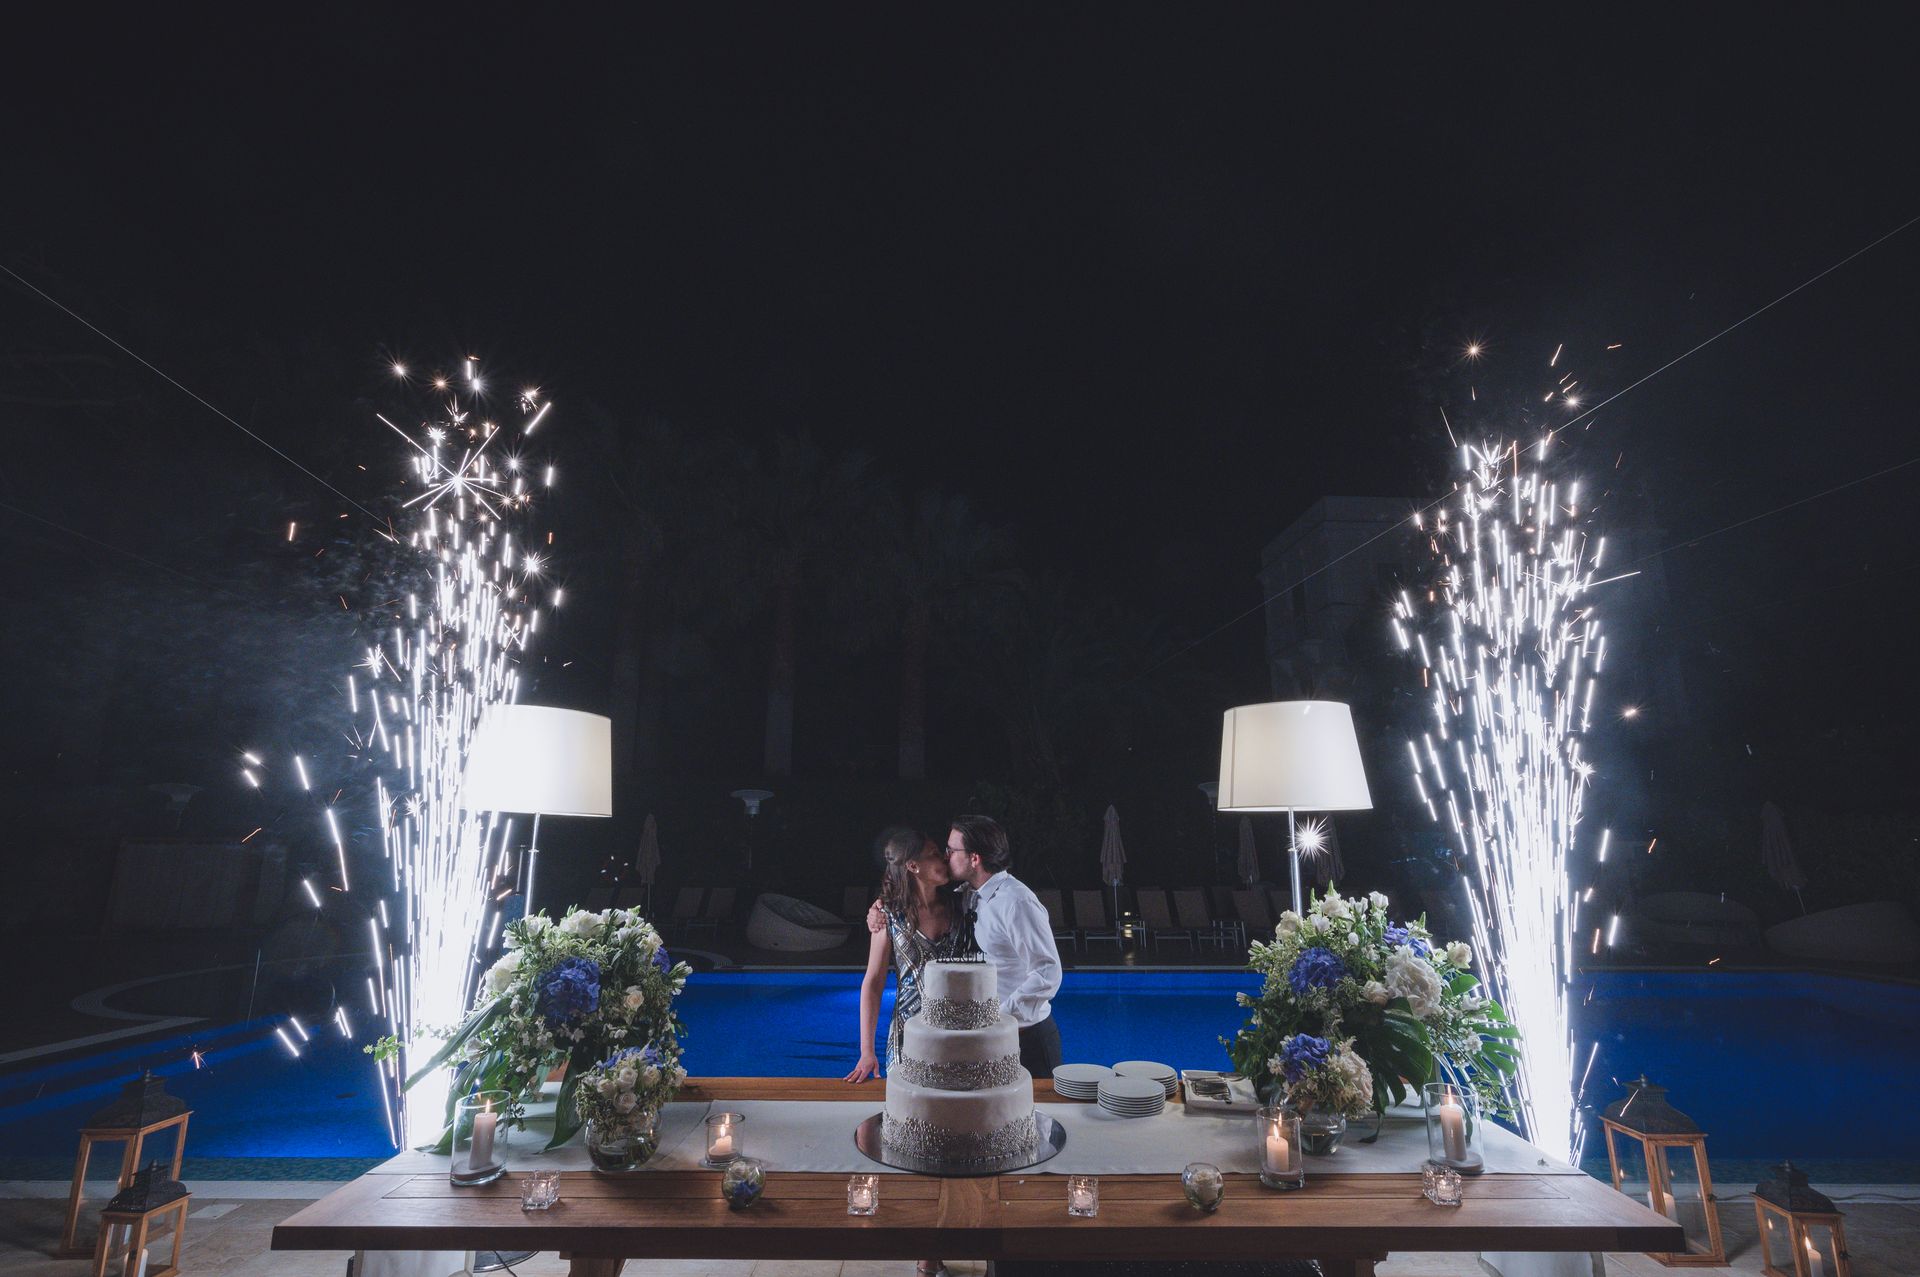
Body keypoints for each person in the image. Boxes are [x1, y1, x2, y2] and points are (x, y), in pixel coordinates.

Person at [846, 826, 961, 1277]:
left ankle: (945, 1239)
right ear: (912, 866)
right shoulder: (888, 916)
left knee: (954, 1142)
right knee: (917, 1145)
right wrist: (866, 1052)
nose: (944, 862)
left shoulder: (961, 906)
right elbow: (873, 981)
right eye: (935, 854)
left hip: (959, 1039)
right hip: (910, 1043)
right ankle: (927, 1252)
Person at [869, 814, 1064, 1078]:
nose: (946, 856)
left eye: (950, 850)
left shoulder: (1016, 901)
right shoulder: (969, 897)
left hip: (1026, 1037)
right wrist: (879, 908)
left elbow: (1048, 972)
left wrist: (998, 1018)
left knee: (1036, 1117)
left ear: (974, 858)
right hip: (983, 1038)